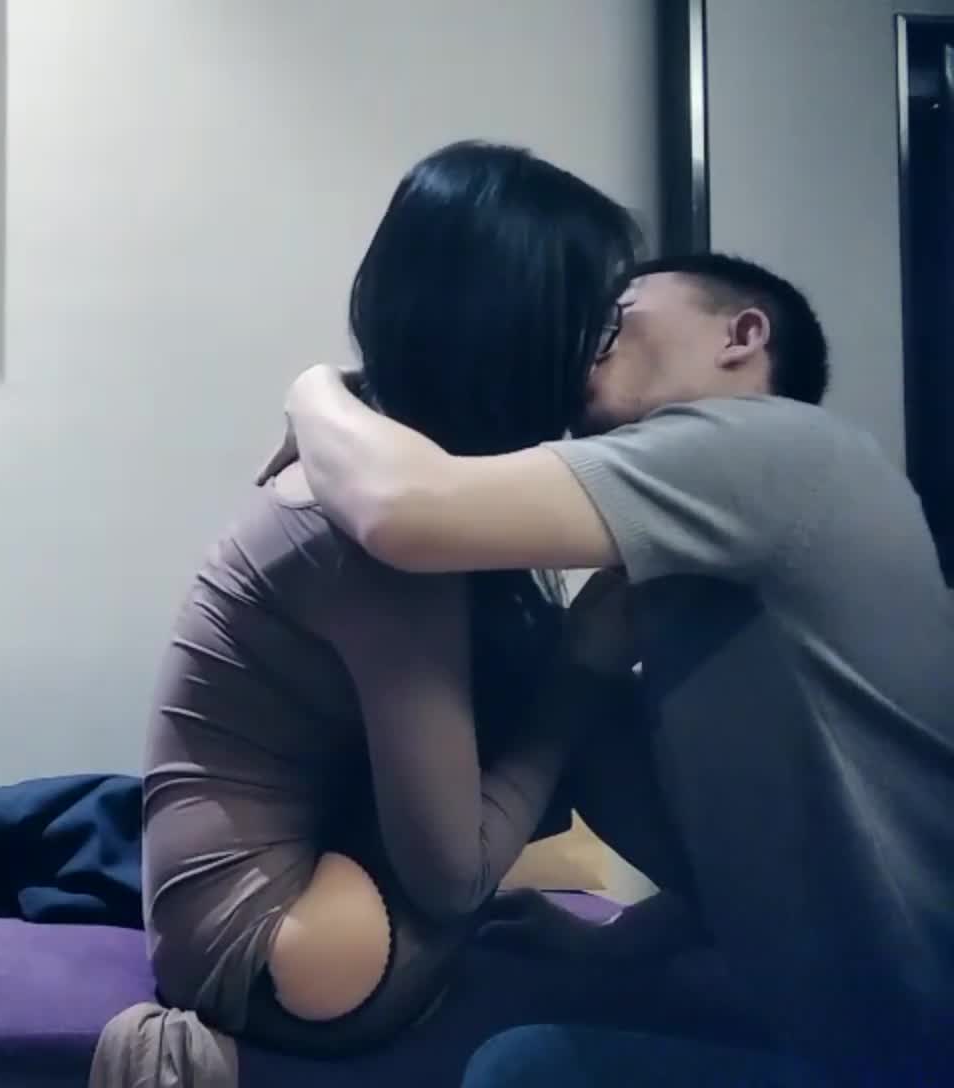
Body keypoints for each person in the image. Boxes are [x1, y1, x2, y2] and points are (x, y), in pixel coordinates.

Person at [276, 253, 954, 1084]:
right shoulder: (713, 566)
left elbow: (402, 510)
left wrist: (314, 389)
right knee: (574, 693)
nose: (590, 343)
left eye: (617, 317)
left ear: (741, 336)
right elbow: (772, 834)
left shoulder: (775, 443)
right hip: (839, 1018)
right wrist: (619, 939)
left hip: (914, 1046)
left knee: (521, 1070)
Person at [132, 139, 641, 1066]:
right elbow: (452, 879)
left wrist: (321, 391)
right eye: (596, 325)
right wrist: (584, 668)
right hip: (287, 953)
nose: (602, 358)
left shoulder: (380, 466)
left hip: (244, 905)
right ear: (521, 334)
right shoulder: (385, 543)